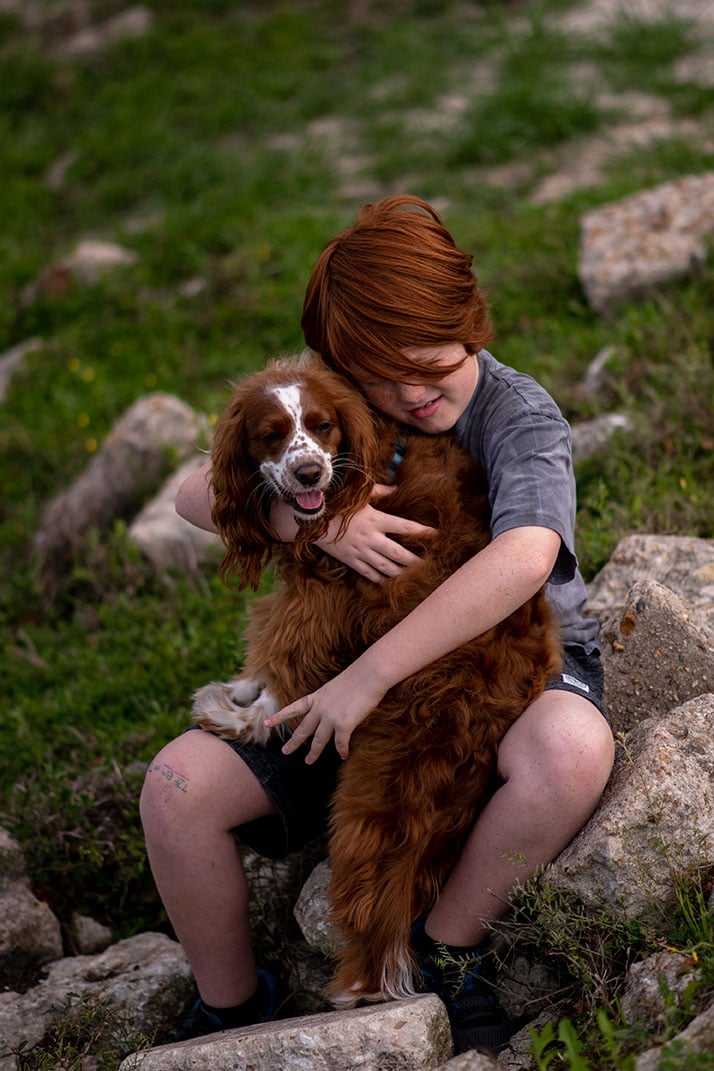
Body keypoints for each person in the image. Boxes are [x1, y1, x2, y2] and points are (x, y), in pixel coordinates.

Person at [140, 195, 615, 1054]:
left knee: (572, 751)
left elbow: (527, 557)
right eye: (379, 376)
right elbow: (193, 493)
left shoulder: (521, 415)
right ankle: (234, 1007)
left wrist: (370, 679)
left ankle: (448, 952)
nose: (406, 394)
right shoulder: (345, 400)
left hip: (508, 673)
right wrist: (315, 521)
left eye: (425, 363)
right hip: (344, 679)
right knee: (176, 793)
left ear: (467, 319)